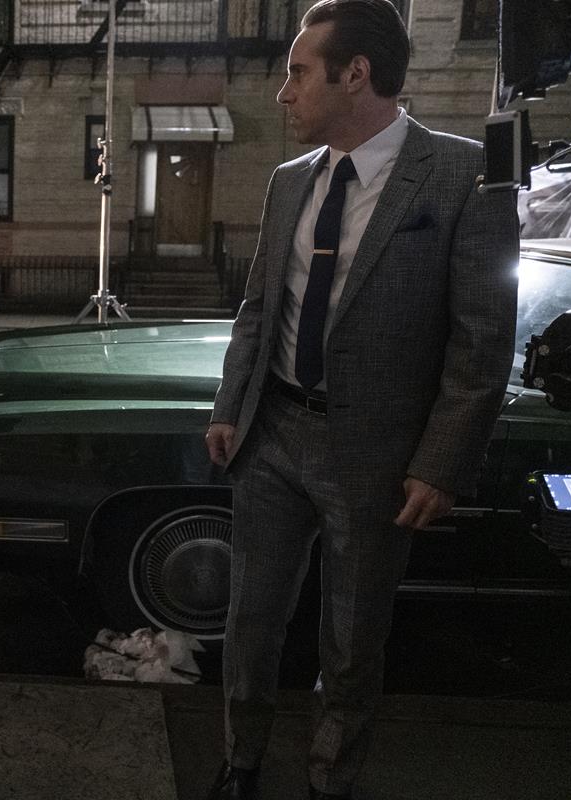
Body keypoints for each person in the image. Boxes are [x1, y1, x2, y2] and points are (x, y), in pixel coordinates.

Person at [203, 2, 518, 798]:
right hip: (271, 434)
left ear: (357, 74)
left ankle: (328, 780)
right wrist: (229, 406)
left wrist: (441, 463)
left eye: (298, 73)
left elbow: (480, 341)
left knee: (351, 640)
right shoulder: (286, 184)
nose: (284, 94)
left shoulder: (461, 175)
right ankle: (241, 763)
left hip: (374, 456)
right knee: (250, 621)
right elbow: (257, 308)